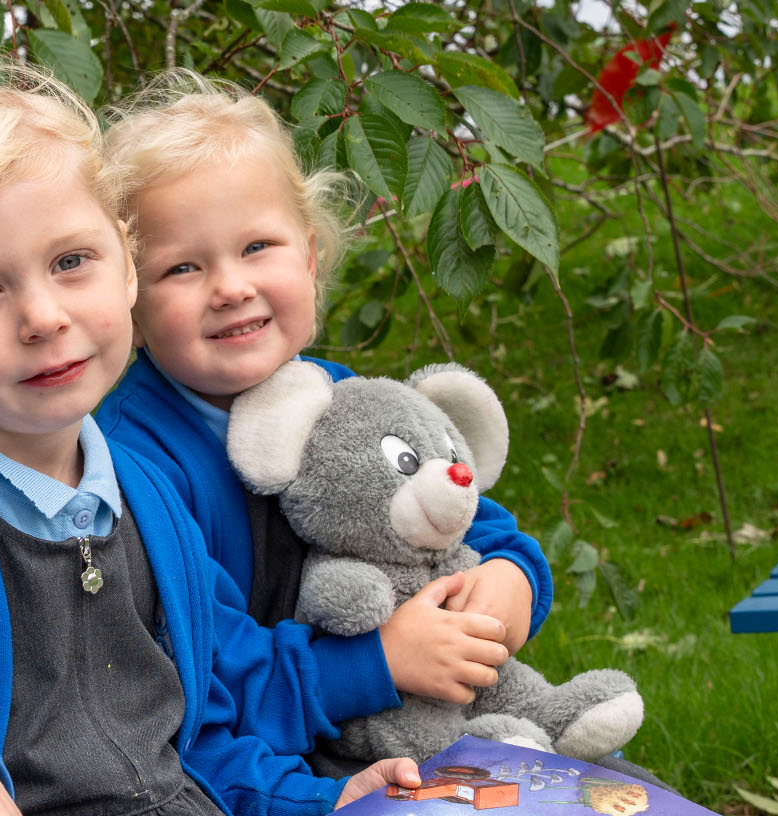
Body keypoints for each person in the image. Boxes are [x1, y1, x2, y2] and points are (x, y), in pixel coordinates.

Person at [0, 69, 418, 816]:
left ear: (125, 267)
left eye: (70, 262)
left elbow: (198, 732)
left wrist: (319, 801)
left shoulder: (142, 493)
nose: (44, 316)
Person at [94, 70, 555, 773]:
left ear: (310, 258)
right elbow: (207, 666)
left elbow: (464, 516)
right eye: (182, 267)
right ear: (128, 301)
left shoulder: (341, 399)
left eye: (257, 248)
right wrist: (378, 661)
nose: (231, 287)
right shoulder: (138, 464)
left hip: (420, 723)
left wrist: (510, 578)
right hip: (263, 766)